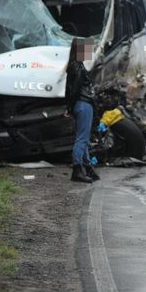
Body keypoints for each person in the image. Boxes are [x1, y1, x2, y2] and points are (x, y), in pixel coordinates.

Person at [64, 37, 100, 183]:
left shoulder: (73, 65)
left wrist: (70, 107)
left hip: (80, 105)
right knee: (82, 140)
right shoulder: (78, 67)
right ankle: (77, 171)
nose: (88, 52)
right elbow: (75, 90)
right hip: (84, 105)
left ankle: (87, 168)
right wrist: (70, 107)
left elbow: (69, 90)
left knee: (83, 139)